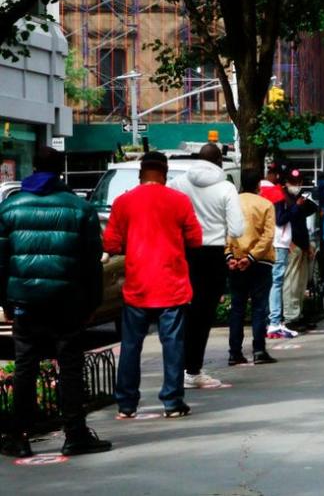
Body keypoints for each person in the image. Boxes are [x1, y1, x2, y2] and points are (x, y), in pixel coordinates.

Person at [0, 148, 111, 458]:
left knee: (25, 367)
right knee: (70, 367)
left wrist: (5, 301)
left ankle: (18, 436)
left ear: (33, 168)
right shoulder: (80, 209)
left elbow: (1, 260)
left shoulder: (10, 208)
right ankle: (75, 434)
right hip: (68, 302)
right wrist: (92, 304)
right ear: (61, 170)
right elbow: (92, 264)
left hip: (25, 301)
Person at [105, 152, 203, 420]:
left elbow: (111, 244)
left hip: (137, 285)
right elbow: (195, 239)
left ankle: (126, 404)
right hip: (171, 285)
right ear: (164, 173)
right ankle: (172, 402)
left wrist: (131, 245)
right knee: (173, 344)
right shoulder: (179, 201)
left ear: (141, 173)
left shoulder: (123, 201)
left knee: (131, 345)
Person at [169, 143, 245, 389]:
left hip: (183, 252)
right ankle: (193, 370)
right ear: (220, 162)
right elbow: (236, 229)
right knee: (203, 315)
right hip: (212, 254)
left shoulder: (178, 184)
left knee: (181, 313)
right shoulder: (226, 187)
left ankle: (176, 368)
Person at [225, 170, 278, 366]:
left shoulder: (231, 203)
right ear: (258, 185)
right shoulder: (266, 205)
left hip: (236, 261)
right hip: (260, 262)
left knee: (237, 308)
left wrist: (230, 256)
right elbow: (268, 236)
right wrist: (252, 256)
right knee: (259, 307)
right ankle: (258, 349)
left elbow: (225, 232)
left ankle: (235, 352)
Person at [268, 168, 317, 336]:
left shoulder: (297, 198)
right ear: (286, 182)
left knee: (300, 284)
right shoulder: (281, 198)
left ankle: (297, 313)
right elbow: (280, 220)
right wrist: (296, 207)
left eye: (299, 183)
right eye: (293, 182)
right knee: (290, 282)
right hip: (289, 244)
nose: (296, 186)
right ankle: (290, 316)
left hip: (300, 245)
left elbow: (308, 213)